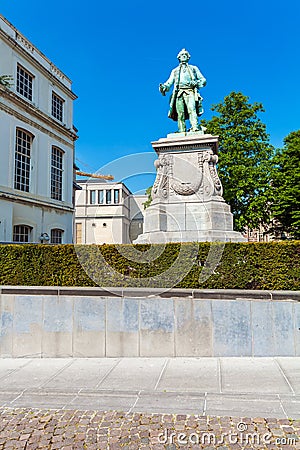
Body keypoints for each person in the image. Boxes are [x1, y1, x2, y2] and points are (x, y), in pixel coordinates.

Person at [159, 49, 206, 132]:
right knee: (180, 113)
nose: (184, 56)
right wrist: (164, 87)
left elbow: (203, 80)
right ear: (179, 58)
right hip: (178, 93)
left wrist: (196, 83)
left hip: (190, 92)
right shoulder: (175, 71)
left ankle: (195, 127)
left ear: (188, 57)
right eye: (182, 55)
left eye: (185, 54)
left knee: (192, 109)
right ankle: (182, 130)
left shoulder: (193, 68)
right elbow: (169, 82)